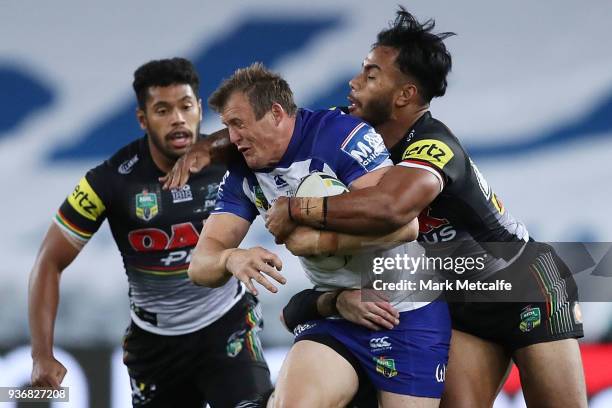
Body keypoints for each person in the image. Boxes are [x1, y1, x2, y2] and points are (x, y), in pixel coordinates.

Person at [164, 8, 587, 408]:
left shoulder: (433, 145)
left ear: (405, 94)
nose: (354, 82)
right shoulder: (345, 132)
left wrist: (295, 209)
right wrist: (207, 147)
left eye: (370, 74)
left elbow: (391, 208)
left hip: (520, 284)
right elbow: (271, 126)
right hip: (455, 293)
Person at [187, 62, 451, 408]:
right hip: (336, 313)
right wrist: (230, 257)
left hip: (406, 311)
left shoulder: (339, 136)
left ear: (276, 114)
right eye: (227, 127)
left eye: (238, 124)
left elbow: (404, 226)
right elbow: (198, 266)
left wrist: (319, 241)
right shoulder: (243, 173)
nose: (232, 139)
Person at [28, 57, 272, 407]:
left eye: (186, 106)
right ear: (143, 119)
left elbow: (285, 130)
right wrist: (41, 354)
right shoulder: (110, 181)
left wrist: (211, 144)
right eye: (162, 110)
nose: (177, 118)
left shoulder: (232, 157)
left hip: (228, 326)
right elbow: (48, 262)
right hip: (157, 347)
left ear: (200, 109)